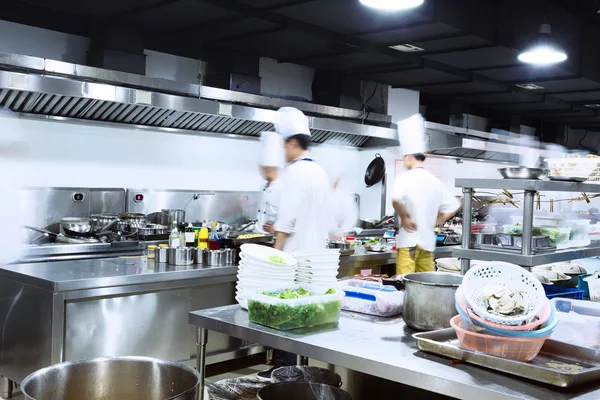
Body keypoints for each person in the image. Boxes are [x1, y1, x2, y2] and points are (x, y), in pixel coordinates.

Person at [256, 107, 331, 382]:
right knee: (305, 315)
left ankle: (283, 369)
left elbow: (286, 222)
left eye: (283, 146)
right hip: (317, 257)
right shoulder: (320, 172)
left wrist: (275, 257)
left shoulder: (294, 174)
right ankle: (301, 368)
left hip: (295, 256)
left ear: (292, 143)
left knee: (285, 314)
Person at [392, 114, 459, 275]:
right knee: (425, 283)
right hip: (427, 244)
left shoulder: (406, 177)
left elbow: (395, 199)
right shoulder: (434, 181)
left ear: (409, 157)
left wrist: (405, 217)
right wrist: (437, 221)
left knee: (405, 283)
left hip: (409, 242)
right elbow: (455, 205)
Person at [255, 132, 284, 235]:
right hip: (259, 238)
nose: (260, 170)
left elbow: (292, 219)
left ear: (269, 167)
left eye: (262, 167)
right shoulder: (264, 186)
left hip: (273, 241)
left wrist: (276, 230)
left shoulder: (282, 188)